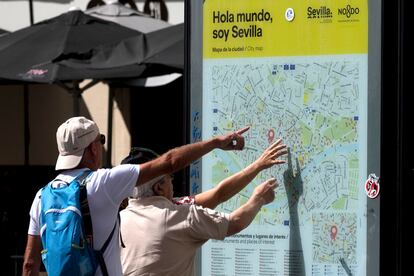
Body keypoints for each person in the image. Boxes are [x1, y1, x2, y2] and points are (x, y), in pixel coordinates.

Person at [22, 116, 249, 276]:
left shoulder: (41, 197)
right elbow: (170, 162)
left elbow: (30, 263)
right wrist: (217, 143)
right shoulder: (103, 183)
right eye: (100, 141)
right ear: (92, 148)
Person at [119, 139, 288, 275]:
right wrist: (259, 198)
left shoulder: (120, 219)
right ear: (159, 188)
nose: (173, 181)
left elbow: (218, 194)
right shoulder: (178, 216)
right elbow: (235, 222)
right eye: (170, 176)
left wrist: (257, 165)